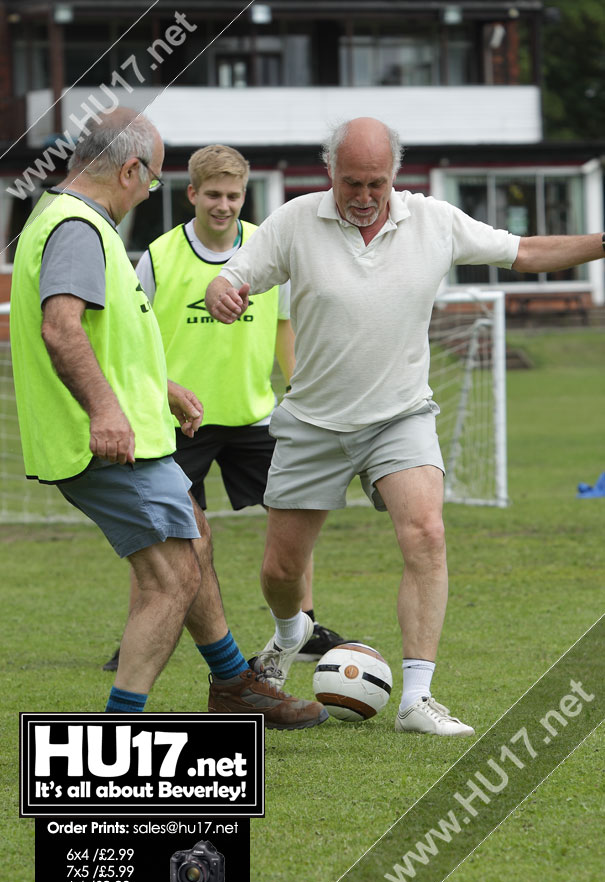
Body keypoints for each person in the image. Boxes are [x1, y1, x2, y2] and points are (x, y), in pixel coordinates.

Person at [205, 116, 605, 737]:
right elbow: (233, 275)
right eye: (352, 183)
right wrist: (221, 291)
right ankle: (291, 635)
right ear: (328, 173)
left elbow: (523, 252)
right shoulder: (292, 222)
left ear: (397, 176)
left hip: (401, 416)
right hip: (312, 420)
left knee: (426, 534)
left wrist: (601, 242)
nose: (365, 197)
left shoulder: (434, 221)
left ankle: (417, 699)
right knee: (281, 572)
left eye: (378, 183)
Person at [9, 107, 327, 729]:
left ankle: (235, 683)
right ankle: (117, 730)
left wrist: (163, 388)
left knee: (193, 545)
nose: (147, 191)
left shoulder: (64, 217)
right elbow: (61, 328)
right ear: (129, 168)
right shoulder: (79, 227)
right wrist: (106, 410)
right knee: (173, 577)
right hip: (101, 441)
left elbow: (109, 338)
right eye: (150, 180)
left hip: (129, 431)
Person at [102, 143, 346, 673]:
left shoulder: (266, 247)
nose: (224, 204)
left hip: (255, 415)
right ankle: (134, 635)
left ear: (244, 196)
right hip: (178, 421)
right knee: (160, 530)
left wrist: (300, 388)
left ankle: (304, 625)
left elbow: (285, 327)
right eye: (213, 194)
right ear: (191, 194)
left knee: (294, 516)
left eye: (233, 195)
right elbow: (134, 337)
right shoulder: (159, 256)